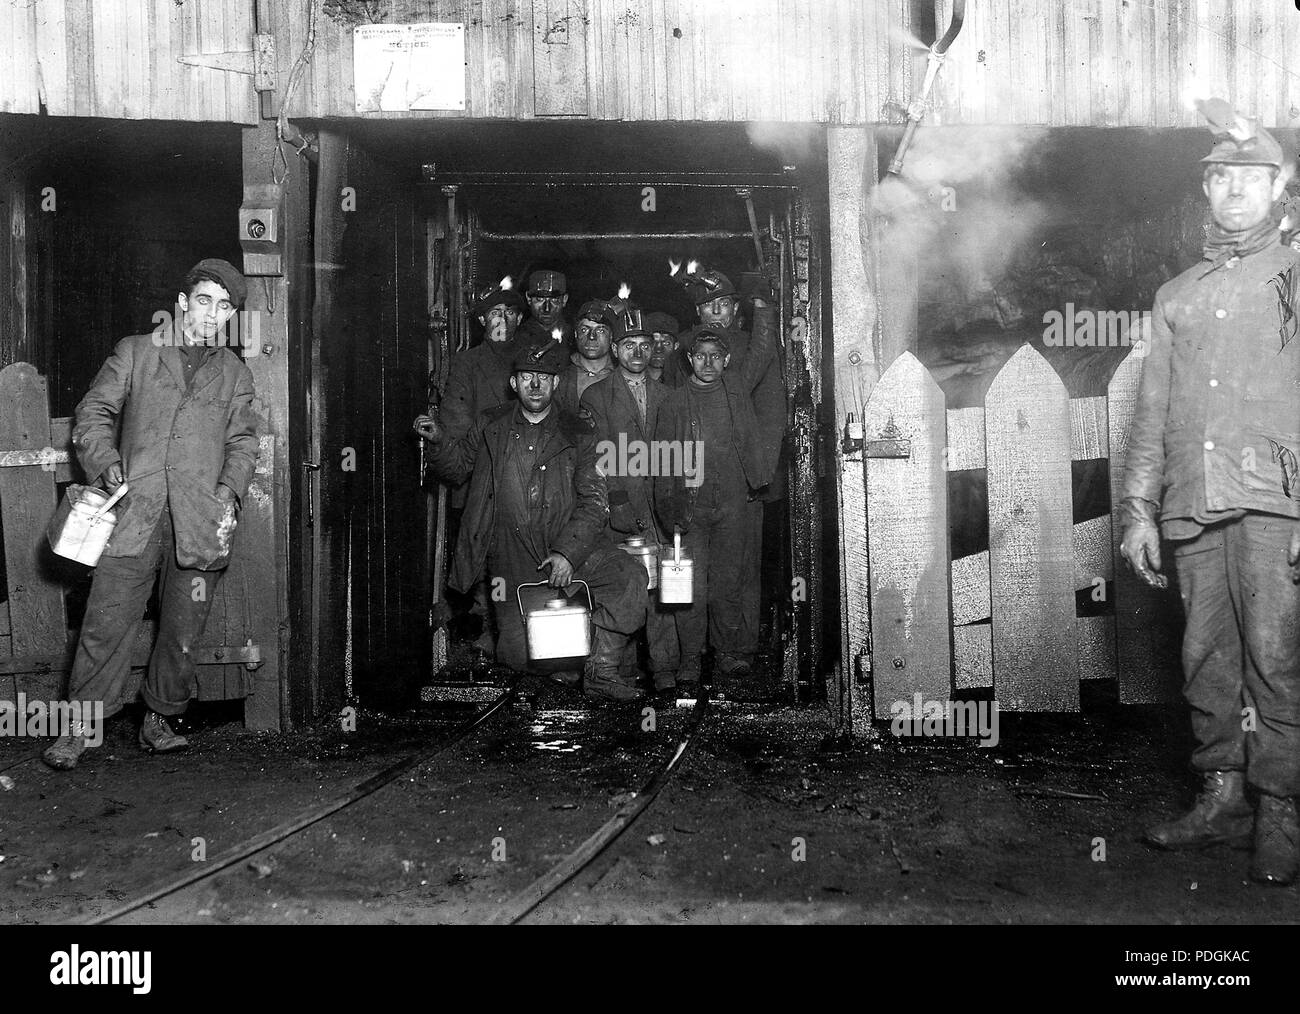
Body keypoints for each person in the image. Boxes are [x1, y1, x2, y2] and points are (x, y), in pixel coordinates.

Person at [1119, 108, 1300, 884]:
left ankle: (1280, 812)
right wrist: (1136, 509)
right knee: (1204, 658)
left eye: (1249, 179)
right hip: (1193, 502)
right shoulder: (1176, 295)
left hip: (1273, 502)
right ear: (1206, 189)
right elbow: (1152, 408)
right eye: (1219, 178)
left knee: (1277, 658)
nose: (1232, 192)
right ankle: (1222, 797)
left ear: (1279, 187)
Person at [43, 259, 260, 770]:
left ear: (230, 315)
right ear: (183, 303)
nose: (212, 313)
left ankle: (160, 719)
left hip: (198, 518)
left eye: (223, 306)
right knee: (105, 623)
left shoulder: (235, 372)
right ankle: (79, 727)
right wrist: (105, 463)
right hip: (133, 515)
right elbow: (93, 412)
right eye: (203, 300)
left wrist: (228, 494)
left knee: (183, 628)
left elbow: (243, 441)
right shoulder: (136, 352)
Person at [424, 340, 648, 702]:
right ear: (514, 383)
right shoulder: (490, 424)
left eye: (543, 378)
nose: (534, 385)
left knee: (630, 577)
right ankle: (566, 663)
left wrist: (568, 554)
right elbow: (457, 469)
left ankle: (601, 671)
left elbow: (594, 501)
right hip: (510, 554)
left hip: (566, 543)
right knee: (518, 656)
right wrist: (437, 442)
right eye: (527, 377)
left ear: (556, 383)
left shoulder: (578, 430)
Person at [653, 289, 777, 695]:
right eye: (700, 355)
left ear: (726, 359)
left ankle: (729, 652)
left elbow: (761, 351)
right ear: (688, 359)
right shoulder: (673, 403)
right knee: (690, 587)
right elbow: (662, 462)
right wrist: (667, 509)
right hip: (690, 508)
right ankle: (690, 659)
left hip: (731, 503)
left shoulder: (737, 389)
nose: (707, 362)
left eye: (715, 356)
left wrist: (763, 309)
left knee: (728, 581)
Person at [413, 279, 527, 658]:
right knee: (483, 560)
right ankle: (489, 631)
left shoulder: (534, 358)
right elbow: (458, 428)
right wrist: (443, 441)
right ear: (481, 320)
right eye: (495, 312)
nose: (503, 319)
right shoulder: (467, 364)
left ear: (520, 317)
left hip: (526, 478)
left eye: (510, 312)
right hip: (480, 475)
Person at [580, 309, 675, 695]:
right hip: (620, 508)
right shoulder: (596, 396)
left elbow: (677, 453)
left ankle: (665, 669)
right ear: (616, 349)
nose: (638, 352)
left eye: (644, 345)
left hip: (661, 504)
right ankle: (618, 669)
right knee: (629, 584)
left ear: (654, 349)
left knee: (665, 587)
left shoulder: (668, 395)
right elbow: (594, 459)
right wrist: (617, 506)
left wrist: (675, 504)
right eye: (629, 345)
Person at [555, 300, 617, 415]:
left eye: (601, 330)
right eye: (584, 329)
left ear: (611, 336)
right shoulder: (560, 381)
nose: (592, 337)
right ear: (575, 334)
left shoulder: (623, 378)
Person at [526, 269, 573, 347]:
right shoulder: (514, 337)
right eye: (540, 299)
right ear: (528, 299)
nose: (547, 308)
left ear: (564, 300)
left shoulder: (575, 339)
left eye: (554, 299)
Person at [644, 311, 681, 385]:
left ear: (676, 346)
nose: (658, 349)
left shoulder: (682, 382)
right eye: (653, 342)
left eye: (666, 343)